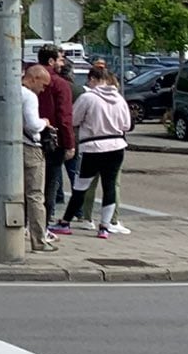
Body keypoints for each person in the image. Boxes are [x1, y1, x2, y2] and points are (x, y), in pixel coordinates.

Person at [62, 64, 132, 239]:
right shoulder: (119, 99)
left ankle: (65, 222)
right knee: (110, 186)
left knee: (81, 185)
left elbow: (74, 119)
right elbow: (126, 125)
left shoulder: (88, 98)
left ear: (93, 79)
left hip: (93, 146)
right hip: (117, 146)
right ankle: (104, 227)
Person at [36, 46, 77, 236]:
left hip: (29, 137)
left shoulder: (29, 79)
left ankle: (29, 223)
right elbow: (64, 117)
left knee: (31, 183)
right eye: (60, 59)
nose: (63, 63)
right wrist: (69, 143)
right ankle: (42, 226)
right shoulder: (60, 84)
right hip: (53, 140)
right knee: (50, 184)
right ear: (51, 61)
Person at [20, 63, 58, 252]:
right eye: (42, 85)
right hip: (30, 148)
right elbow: (33, 125)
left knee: (14, 194)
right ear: (33, 78)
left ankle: (14, 236)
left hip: (9, 149)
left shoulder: (7, 91)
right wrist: (45, 122)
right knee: (35, 195)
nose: (43, 90)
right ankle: (39, 240)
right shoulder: (29, 96)